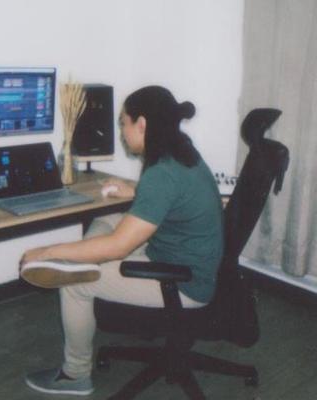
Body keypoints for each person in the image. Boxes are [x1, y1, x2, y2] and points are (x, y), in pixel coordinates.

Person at [19, 86, 224, 396]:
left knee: (75, 284)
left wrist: (47, 251)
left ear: (142, 124)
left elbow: (120, 246)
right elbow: (174, 196)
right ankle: (88, 263)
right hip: (185, 255)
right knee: (105, 220)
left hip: (184, 282)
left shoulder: (162, 173)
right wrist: (136, 192)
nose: (121, 132)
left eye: (123, 123)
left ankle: (75, 375)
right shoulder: (181, 154)